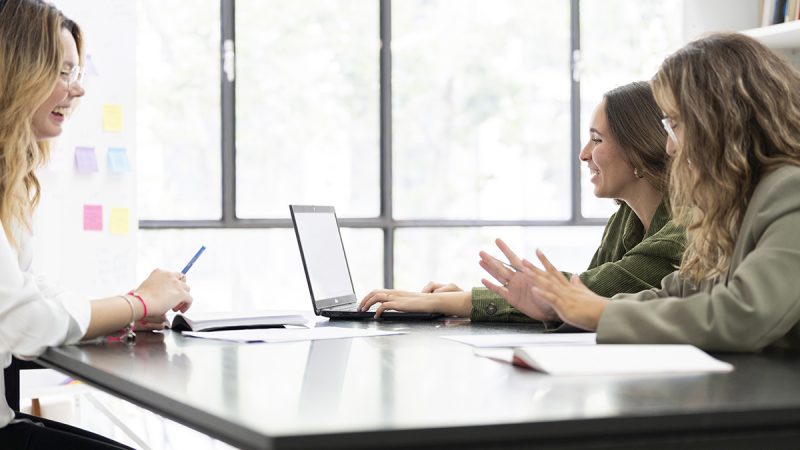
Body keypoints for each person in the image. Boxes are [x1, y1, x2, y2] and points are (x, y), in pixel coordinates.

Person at [508, 32, 800, 352]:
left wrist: (600, 312)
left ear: (720, 121)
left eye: (674, 125)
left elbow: (746, 314)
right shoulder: (733, 200)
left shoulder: (789, 190)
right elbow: (677, 295)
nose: (670, 148)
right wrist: (564, 310)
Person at [0, 1, 193, 448]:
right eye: (63, 73)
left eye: (77, 73)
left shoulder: (12, 183)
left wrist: (121, 311)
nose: (78, 90)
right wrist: (137, 303)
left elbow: (27, 292)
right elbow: (25, 324)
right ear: (16, 72)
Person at [359, 81, 686, 322]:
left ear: (640, 149)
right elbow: (569, 309)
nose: (584, 153)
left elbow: (580, 296)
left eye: (597, 140)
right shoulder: (626, 219)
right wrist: (469, 301)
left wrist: (457, 302)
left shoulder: (681, 235)